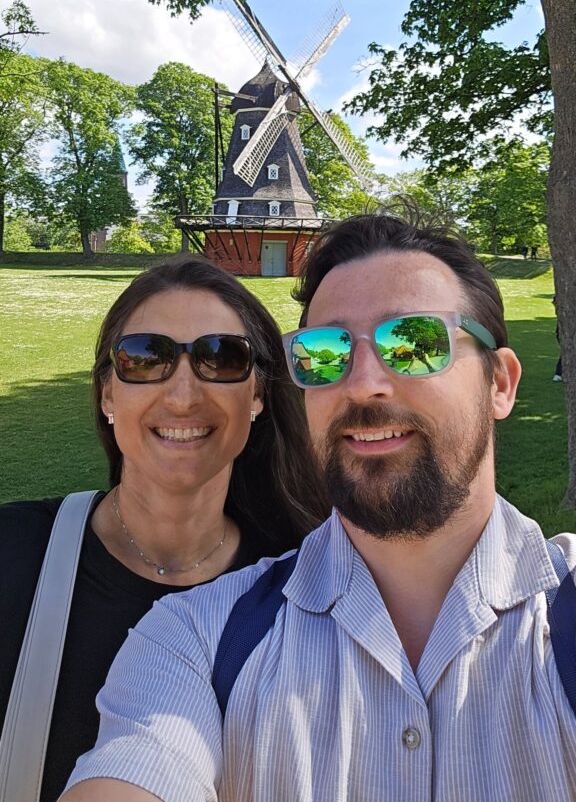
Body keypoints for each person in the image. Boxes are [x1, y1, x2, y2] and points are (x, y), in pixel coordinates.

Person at [62, 214, 576, 802]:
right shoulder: (195, 640)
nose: (362, 385)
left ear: (500, 384)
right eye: (324, 352)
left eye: (415, 343)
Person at [0, 255, 326, 802]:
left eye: (221, 359)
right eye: (145, 358)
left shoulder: (308, 590)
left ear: (259, 395)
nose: (181, 396)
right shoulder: (11, 552)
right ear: (107, 393)